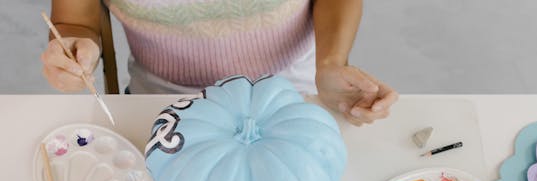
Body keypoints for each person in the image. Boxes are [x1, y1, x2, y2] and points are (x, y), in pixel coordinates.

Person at [41, 0, 397, 126]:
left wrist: (331, 63)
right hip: (165, 107)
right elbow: (77, 21)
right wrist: (74, 47)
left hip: (294, 95)